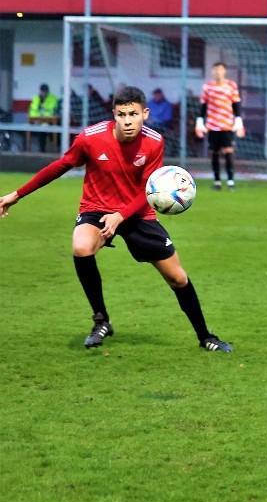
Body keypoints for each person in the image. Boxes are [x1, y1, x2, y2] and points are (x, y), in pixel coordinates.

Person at [0, 86, 232, 353]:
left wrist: (121, 216)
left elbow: (150, 191)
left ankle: (206, 337)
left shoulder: (154, 141)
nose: (127, 120)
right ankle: (101, 320)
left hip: (137, 213)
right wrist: (17, 194)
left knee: (178, 278)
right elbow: (60, 165)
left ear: (145, 113)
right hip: (96, 209)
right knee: (81, 247)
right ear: (114, 115)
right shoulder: (90, 138)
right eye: (121, 114)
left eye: (133, 114)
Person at [196, 62, 244, 191]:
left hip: (227, 125)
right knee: (214, 153)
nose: (217, 72)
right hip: (212, 126)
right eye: (215, 70)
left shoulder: (231, 86)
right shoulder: (208, 87)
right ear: (212, 72)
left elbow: (236, 104)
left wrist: (238, 121)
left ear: (224, 71)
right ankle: (217, 181)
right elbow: (203, 106)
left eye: (220, 70)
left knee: (229, 152)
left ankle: (230, 182)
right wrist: (199, 123)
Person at [28, 83, 59, 152]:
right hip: (38, 121)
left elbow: (52, 111)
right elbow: (32, 111)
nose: (43, 93)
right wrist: (38, 118)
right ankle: (42, 150)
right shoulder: (36, 98)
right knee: (41, 131)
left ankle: (55, 148)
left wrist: (42, 115)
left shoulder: (53, 98)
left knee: (52, 131)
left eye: (45, 91)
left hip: (50, 121)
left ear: (48, 91)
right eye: (42, 91)